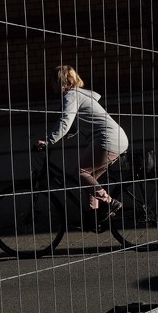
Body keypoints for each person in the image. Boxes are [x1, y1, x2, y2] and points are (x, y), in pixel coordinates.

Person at [36, 65, 129, 217]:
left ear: (61, 81)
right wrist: (59, 137)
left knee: (79, 172)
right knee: (89, 182)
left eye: (52, 81)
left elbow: (65, 122)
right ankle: (95, 215)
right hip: (117, 138)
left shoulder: (71, 96)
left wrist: (48, 140)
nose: (50, 85)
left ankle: (110, 202)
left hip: (107, 139)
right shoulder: (81, 96)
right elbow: (73, 126)